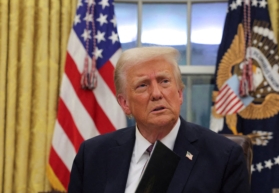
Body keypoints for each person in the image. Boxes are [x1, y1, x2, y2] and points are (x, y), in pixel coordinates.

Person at [68, 46, 250, 193]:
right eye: (142, 85)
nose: (156, 93)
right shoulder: (92, 156)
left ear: (179, 94)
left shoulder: (223, 157)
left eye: (164, 81)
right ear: (125, 103)